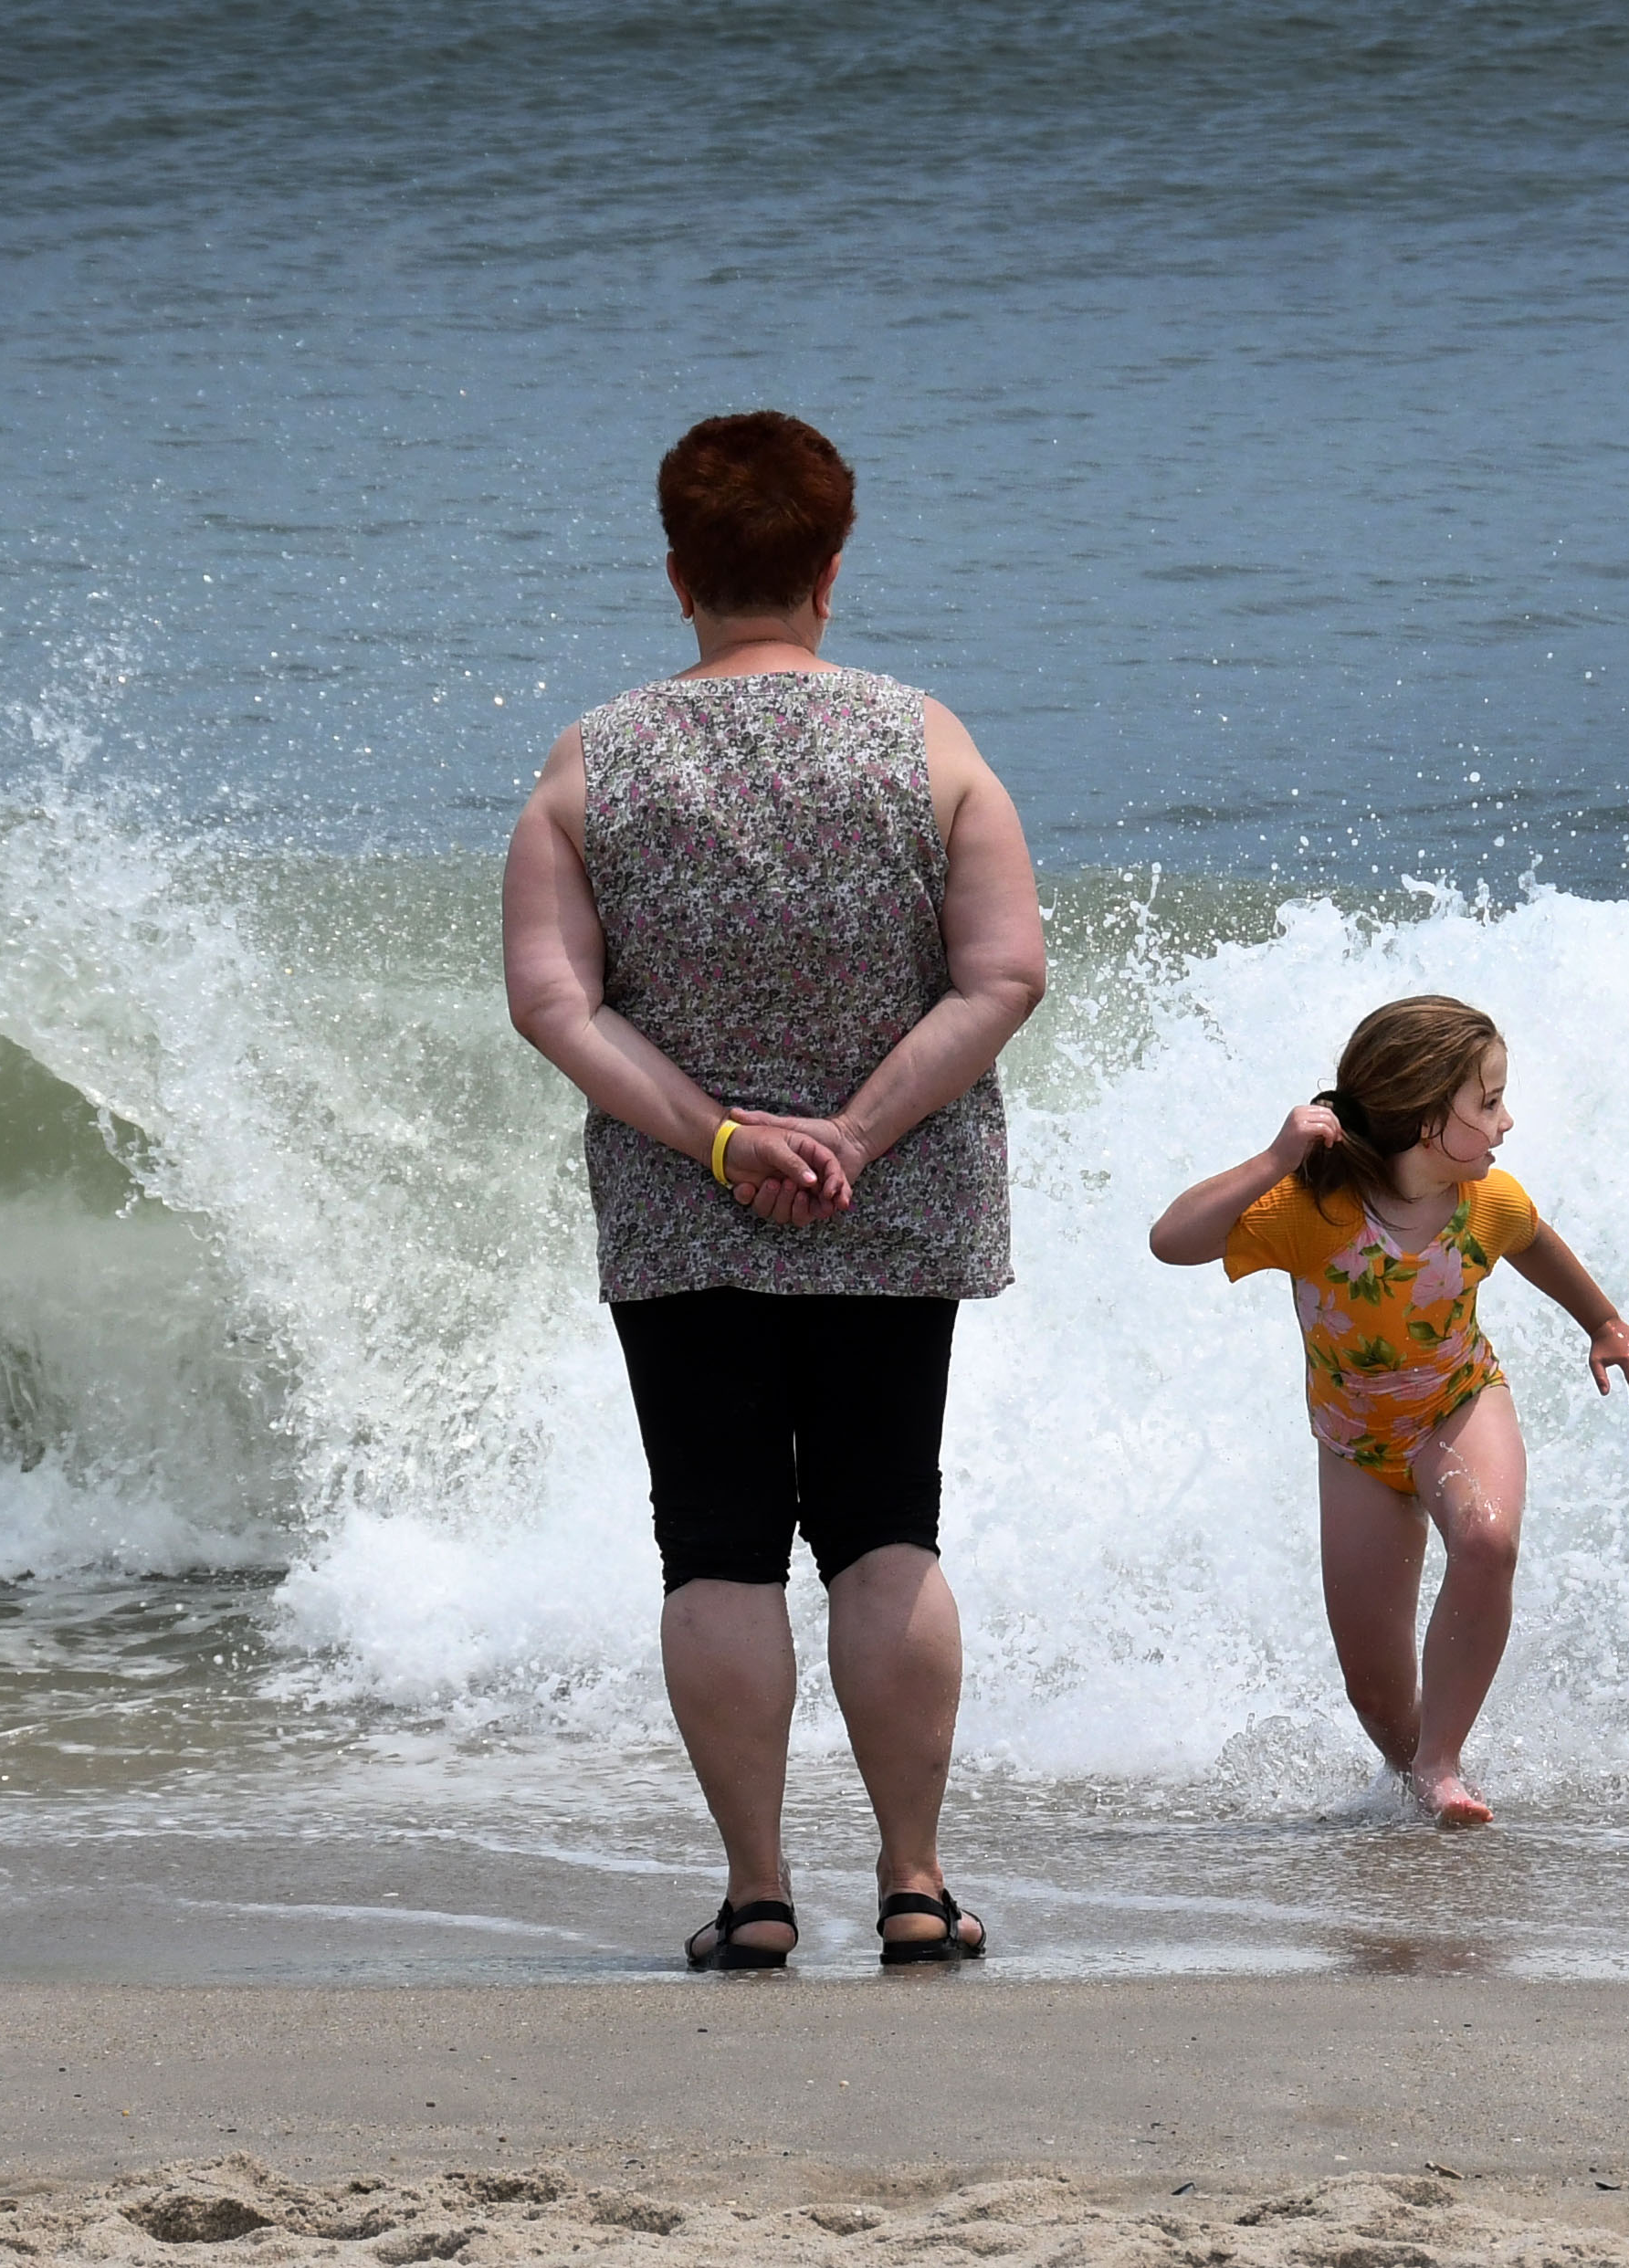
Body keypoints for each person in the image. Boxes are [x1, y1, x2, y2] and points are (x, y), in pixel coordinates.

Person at [503, 412, 1046, 1969]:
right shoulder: (927, 741)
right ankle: (917, 1882)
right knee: (886, 1532)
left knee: (720, 1546)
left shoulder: (592, 760)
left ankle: (755, 1893)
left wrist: (723, 1140)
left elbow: (556, 1001)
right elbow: (1001, 973)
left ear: (680, 574)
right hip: (896, 1204)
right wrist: (860, 1134)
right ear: (830, 564)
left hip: (690, 1215)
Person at [1147, 994, 1629, 1826]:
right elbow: (1172, 1239)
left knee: (1487, 1539)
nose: (1507, 1121)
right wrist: (1272, 1157)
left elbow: (1533, 1240)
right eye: (1490, 1102)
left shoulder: (1487, 1202)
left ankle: (1442, 1763)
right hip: (1356, 1449)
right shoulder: (1312, 1213)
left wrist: (1603, 1324)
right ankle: (1418, 1781)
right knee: (1372, 1680)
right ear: (1427, 1118)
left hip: (1458, 1406)